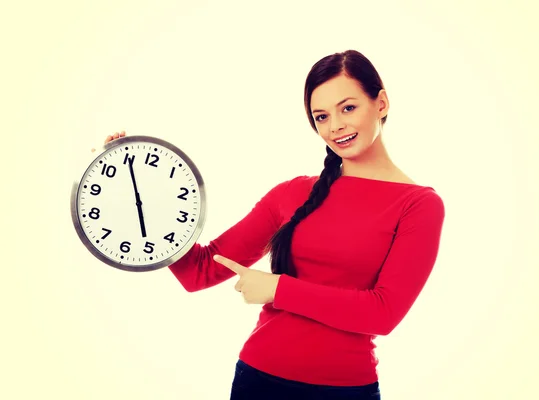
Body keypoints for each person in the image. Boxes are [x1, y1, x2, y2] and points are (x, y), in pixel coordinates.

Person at [95, 49, 445, 399]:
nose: (335, 126)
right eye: (321, 116)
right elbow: (199, 271)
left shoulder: (419, 206)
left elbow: (382, 313)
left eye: (348, 108)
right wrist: (138, 188)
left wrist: (279, 289)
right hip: (258, 381)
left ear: (381, 103)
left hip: (346, 391)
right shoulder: (293, 193)